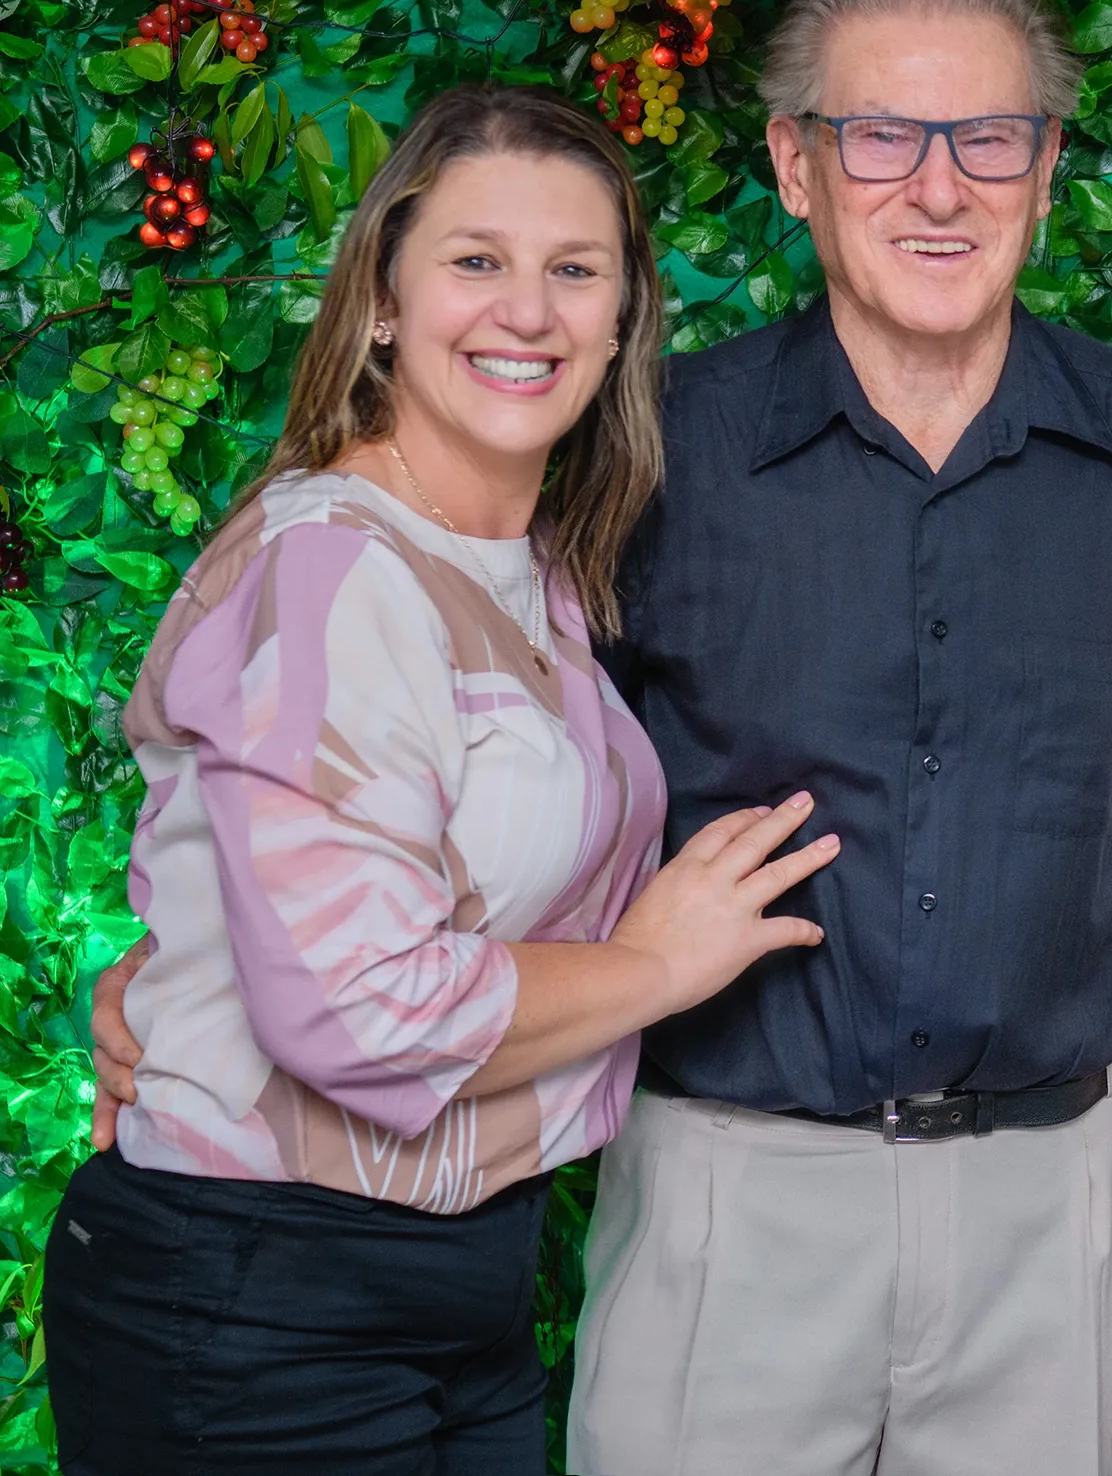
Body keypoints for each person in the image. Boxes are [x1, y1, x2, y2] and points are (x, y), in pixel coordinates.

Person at [558, 0, 1112, 1474]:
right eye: (880, 135)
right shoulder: (655, 450)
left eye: (989, 139)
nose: (937, 188)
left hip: (1059, 1203)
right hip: (728, 1193)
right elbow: (510, 782)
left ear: (1046, 173)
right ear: (794, 166)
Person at [55, 84, 841, 1475]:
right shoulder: (334, 563)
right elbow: (357, 1011)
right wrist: (659, 965)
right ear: (380, 302)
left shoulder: (533, 578)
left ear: (618, 321)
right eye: (476, 261)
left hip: (458, 1282)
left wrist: (168, 979)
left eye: (573, 270)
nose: (526, 312)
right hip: (260, 1297)